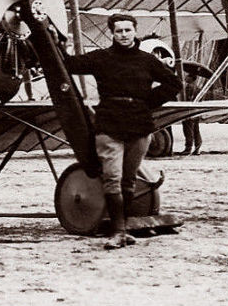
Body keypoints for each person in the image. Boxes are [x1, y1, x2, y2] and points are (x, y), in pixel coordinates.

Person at [64, 14, 183, 249]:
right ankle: (117, 231)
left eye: (128, 30)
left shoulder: (147, 61)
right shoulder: (101, 58)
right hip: (110, 124)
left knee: (129, 180)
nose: (124, 35)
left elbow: (173, 84)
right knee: (112, 177)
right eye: (119, 31)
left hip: (139, 125)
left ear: (135, 31)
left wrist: (147, 102)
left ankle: (125, 228)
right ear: (112, 33)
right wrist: (60, 45)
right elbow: (70, 64)